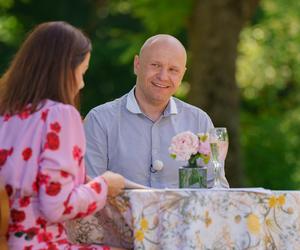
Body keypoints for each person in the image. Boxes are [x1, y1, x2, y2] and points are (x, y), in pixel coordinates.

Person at [0, 21, 125, 250]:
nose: (82, 83)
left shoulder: (6, 115)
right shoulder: (60, 116)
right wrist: (104, 185)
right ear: (64, 70)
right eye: (82, 72)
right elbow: (56, 206)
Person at [84, 34, 229, 188]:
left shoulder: (199, 121)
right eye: (155, 65)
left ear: (182, 75)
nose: (163, 76)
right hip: (124, 213)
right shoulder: (100, 120)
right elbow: (91, 190)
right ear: (137, 65)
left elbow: (217, 188)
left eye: (173, 69)